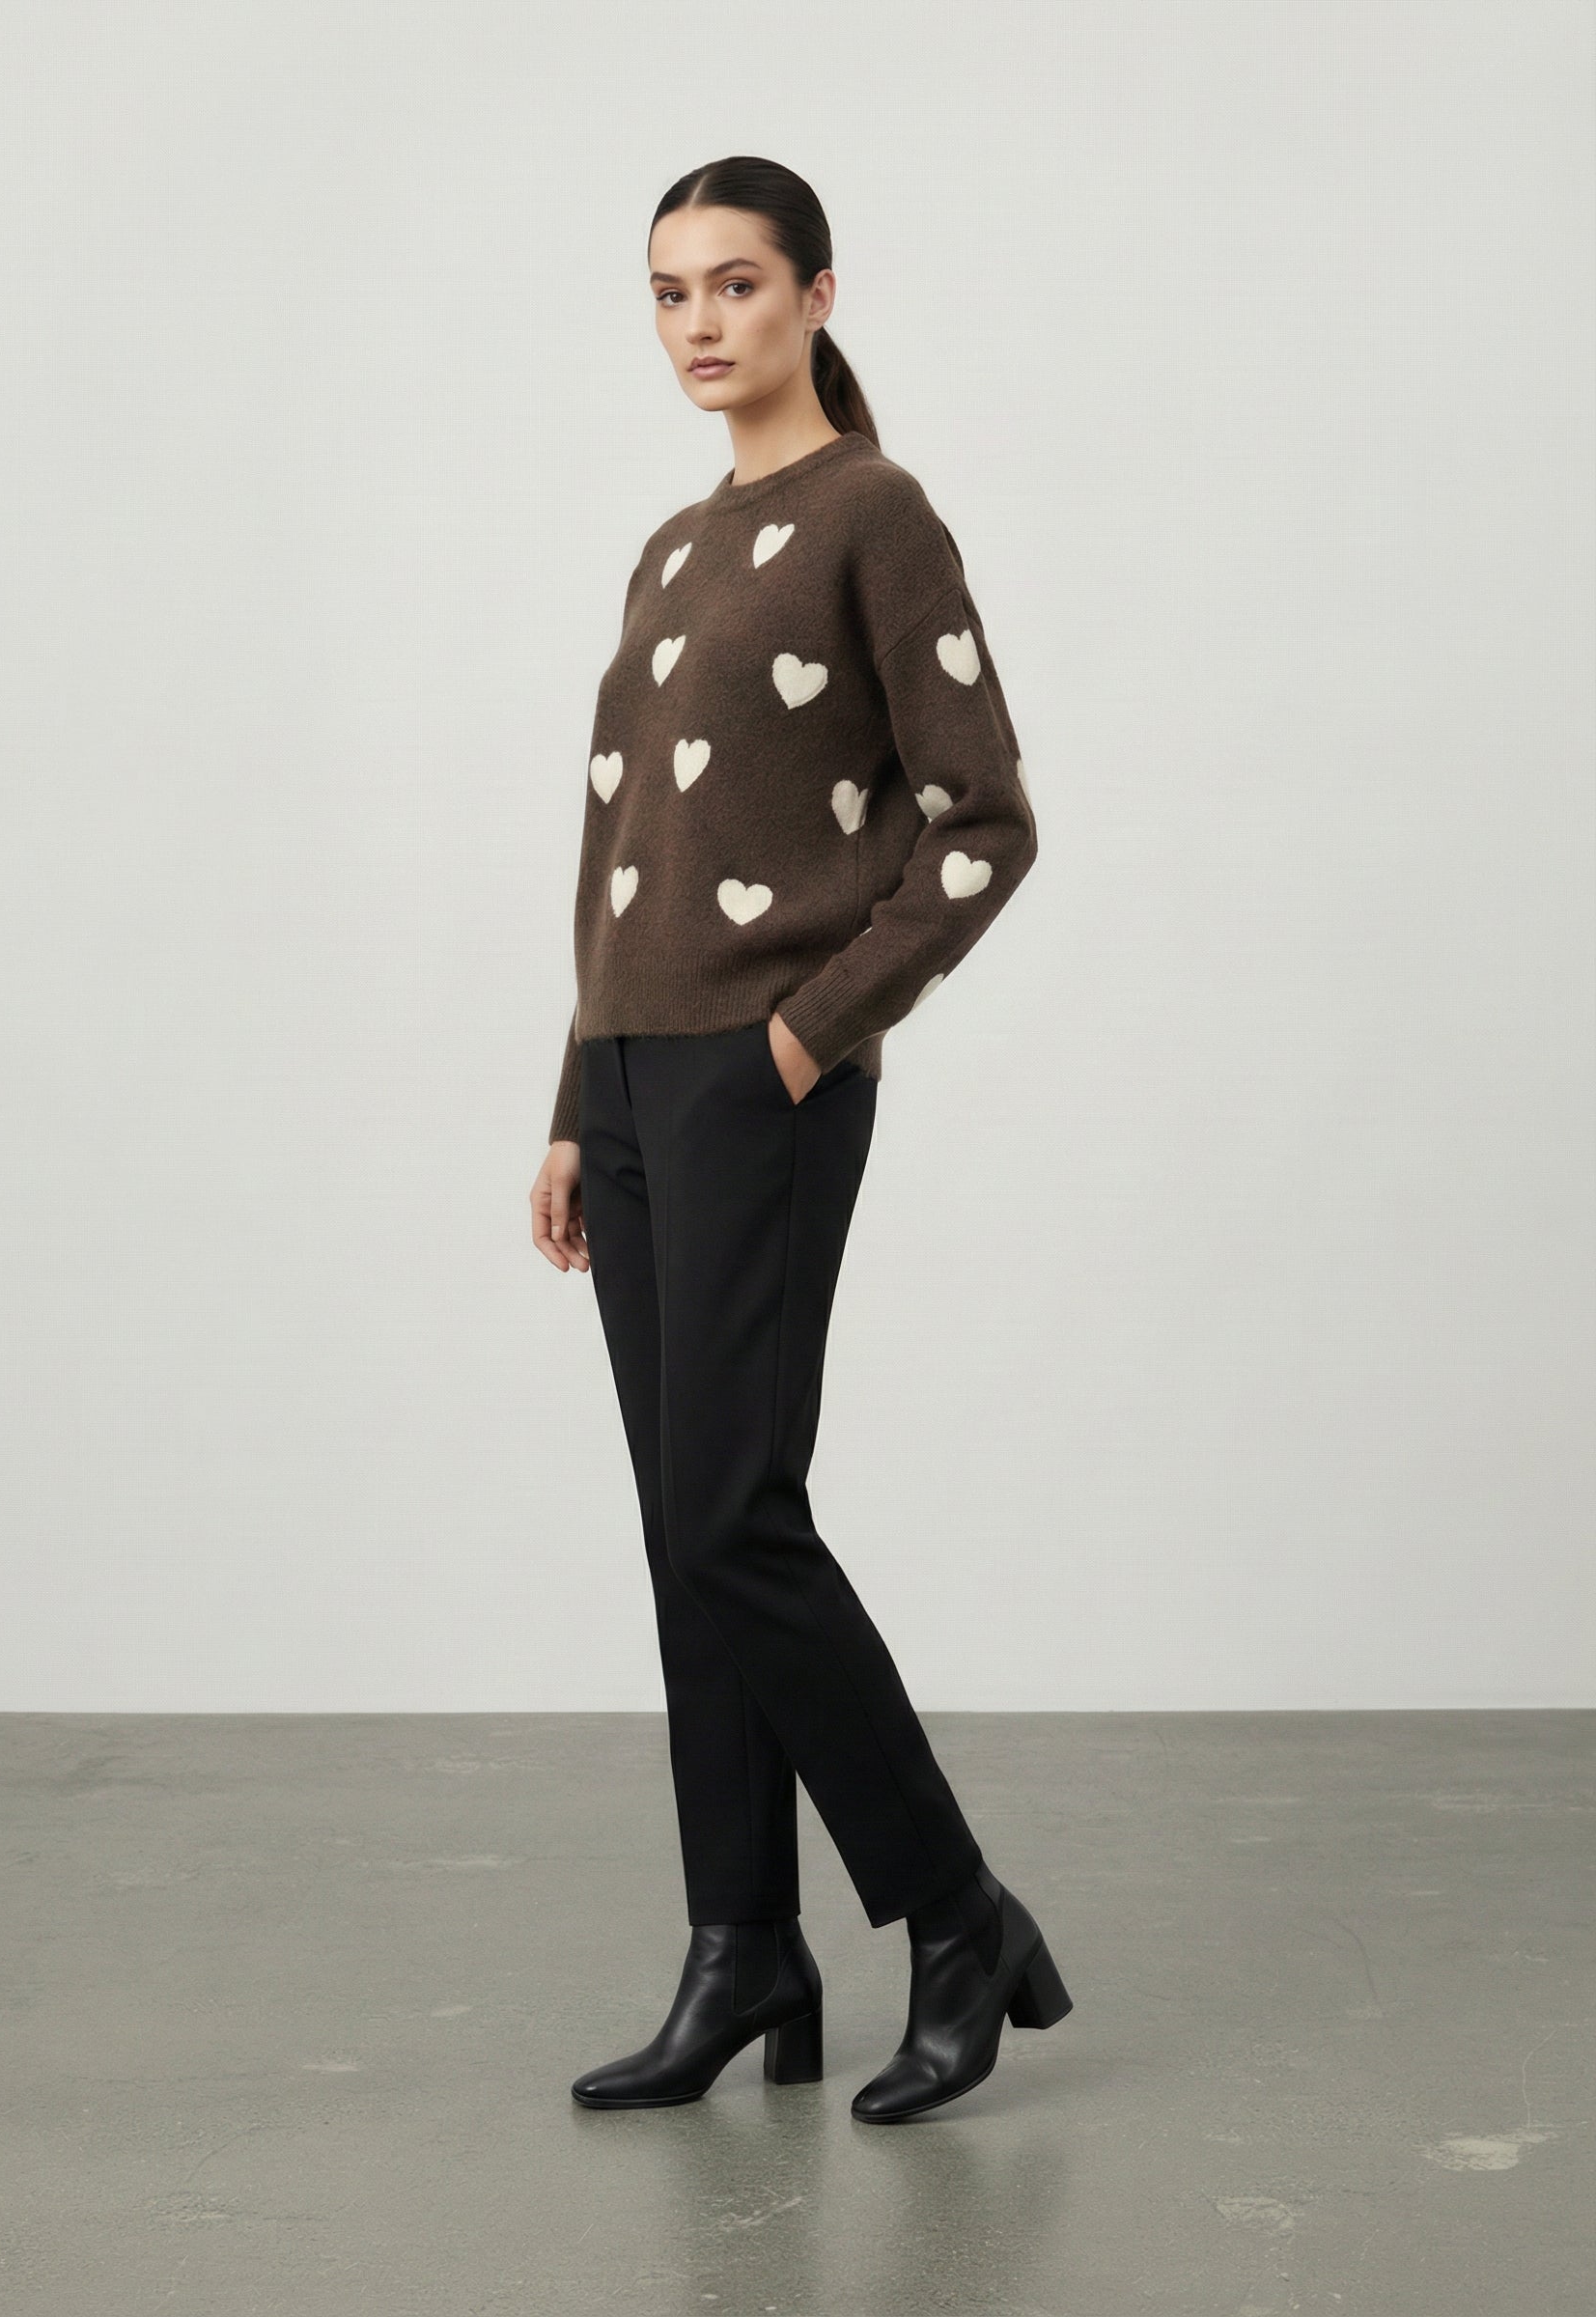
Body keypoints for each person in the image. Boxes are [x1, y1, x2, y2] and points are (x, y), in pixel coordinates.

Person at [528, 154, 1069, 2125]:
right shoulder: (672, 551)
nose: (699, 323)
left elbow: (983, 824)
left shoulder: (871, 515)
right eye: (668, 292)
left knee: (732, 1517)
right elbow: (625, 856)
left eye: (736, 284)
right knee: (687, 1538)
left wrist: (802, 1036)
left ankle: (955, 1915)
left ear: (817, 297)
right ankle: (739, 1943)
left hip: (759, 1079)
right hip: (634, 1087)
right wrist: (576, 1103)